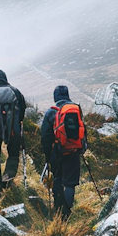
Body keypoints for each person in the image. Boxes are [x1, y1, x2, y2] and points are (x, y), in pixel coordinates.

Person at [40, 85, 86, 220]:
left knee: (58, 179)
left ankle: (58, 210)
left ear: (55, 97)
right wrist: (82, 149)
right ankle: (67, 212)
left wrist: (48, 155)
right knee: (70, 183)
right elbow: (83, 131)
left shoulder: (51, 112)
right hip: (73, 151)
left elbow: (45, 137)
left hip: (57, 152)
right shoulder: (76, 109)